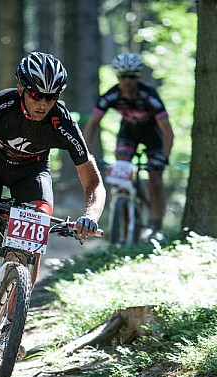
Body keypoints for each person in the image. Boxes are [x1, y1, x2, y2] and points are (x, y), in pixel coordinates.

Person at [0, 51, 106, 362]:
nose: (43, 103)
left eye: (51, 97)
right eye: (36, 95)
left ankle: (12, 328)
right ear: (22, 89)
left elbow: (93, 183)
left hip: (31, 175)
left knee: (31, 245)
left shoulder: (62, 122)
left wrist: (90, 216)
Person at [84, 52, 174, 238]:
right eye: (123, 76)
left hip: (152, 134)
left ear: (138, 76)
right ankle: (118, 217)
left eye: (132, 76)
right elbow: (92, 124)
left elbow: (167, 130)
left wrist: (164, 157)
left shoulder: (149, 95)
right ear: (117, 76)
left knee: (155, 179)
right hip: (128, 132)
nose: (127, 81)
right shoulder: (111, 95)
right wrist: (86, 153)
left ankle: (156, 224)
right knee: (120, 172)